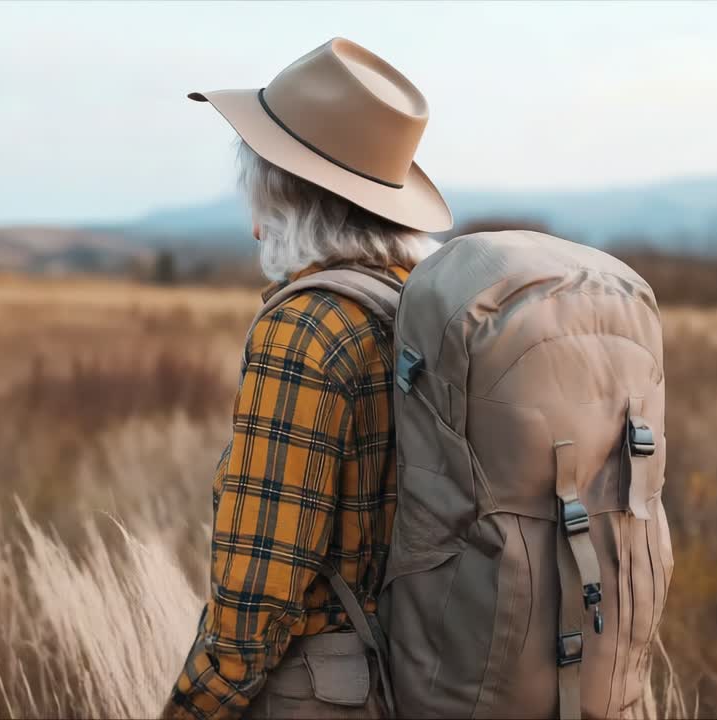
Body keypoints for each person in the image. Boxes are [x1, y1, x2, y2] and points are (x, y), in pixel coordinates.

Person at [162, 37, 452, 720]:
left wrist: (188, 709)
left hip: (327, 694)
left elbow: (253, 602)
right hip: (421, 674)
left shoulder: (306, 331)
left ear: (285, 193)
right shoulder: (424, 304)